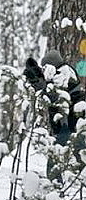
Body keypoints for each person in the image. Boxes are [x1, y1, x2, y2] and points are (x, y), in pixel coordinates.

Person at [23, 50, 85, 181]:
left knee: (58, 154)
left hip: (69, 122)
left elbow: (54, 93)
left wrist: (39, 82)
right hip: (67, 122)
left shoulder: (63, 72)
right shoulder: (64, 71)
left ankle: (56, 182)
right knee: (74, 153)